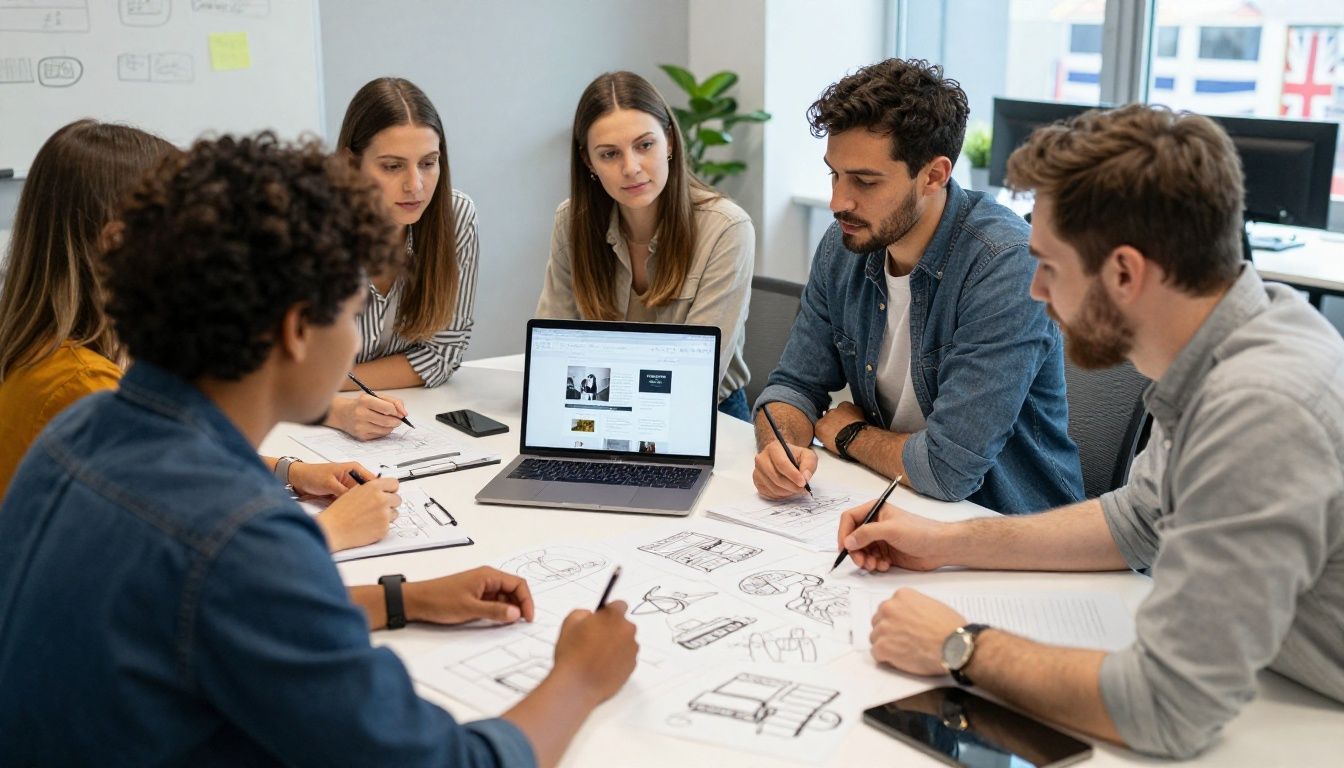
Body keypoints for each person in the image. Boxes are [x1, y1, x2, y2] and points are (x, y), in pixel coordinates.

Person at [0, 134, 638, 766]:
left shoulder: (79, 429)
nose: (358, 342)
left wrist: (401, 598)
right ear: (296, 329)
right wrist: (581, 676)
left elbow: (214, 619)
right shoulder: (243, 537)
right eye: (355, 310)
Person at [838, 104, 1344, 758]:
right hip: (1283, 693)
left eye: (1049, 265)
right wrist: (944, 542)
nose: (1038, 292)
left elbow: (1166, 707)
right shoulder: (1234, 334)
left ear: (1126, 273)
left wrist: (958, 644)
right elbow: (1138, 520)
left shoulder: (1261, 407)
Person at [0, 120, 392, 554]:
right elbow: (206, 564)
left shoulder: (58, 356)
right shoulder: (81, 389)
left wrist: (289, 472)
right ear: (118, 243)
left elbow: (171, 464)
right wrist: (331, 531)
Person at [751, 59, 1082, 514]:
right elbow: (792, 387)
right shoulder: (844, 243)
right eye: (835, 174)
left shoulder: (1003, 264)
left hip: (1003, 525)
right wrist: (780, 448)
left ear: (933, 175)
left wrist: (850, 434)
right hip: (902, 502)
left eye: (865, 181)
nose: (838, 202)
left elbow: (949, 470)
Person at [536, 70, 756, 421]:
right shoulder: (572, 221)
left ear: (669, 141)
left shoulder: (726, 228)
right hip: (598, 408)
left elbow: (694, 378)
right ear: (588, 162)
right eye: (609, 154)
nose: (631, 168)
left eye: (645, 145)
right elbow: (554, 346)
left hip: (706, 415)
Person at [324, 77, 480, 440]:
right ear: (351, 164)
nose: (416, 185)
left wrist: (337, 381)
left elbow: (444, 355)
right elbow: (275, 374)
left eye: (428, 163)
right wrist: (337, 404)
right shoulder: (311, 228)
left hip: (402, 419)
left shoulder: (455, 216)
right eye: (393, 167)